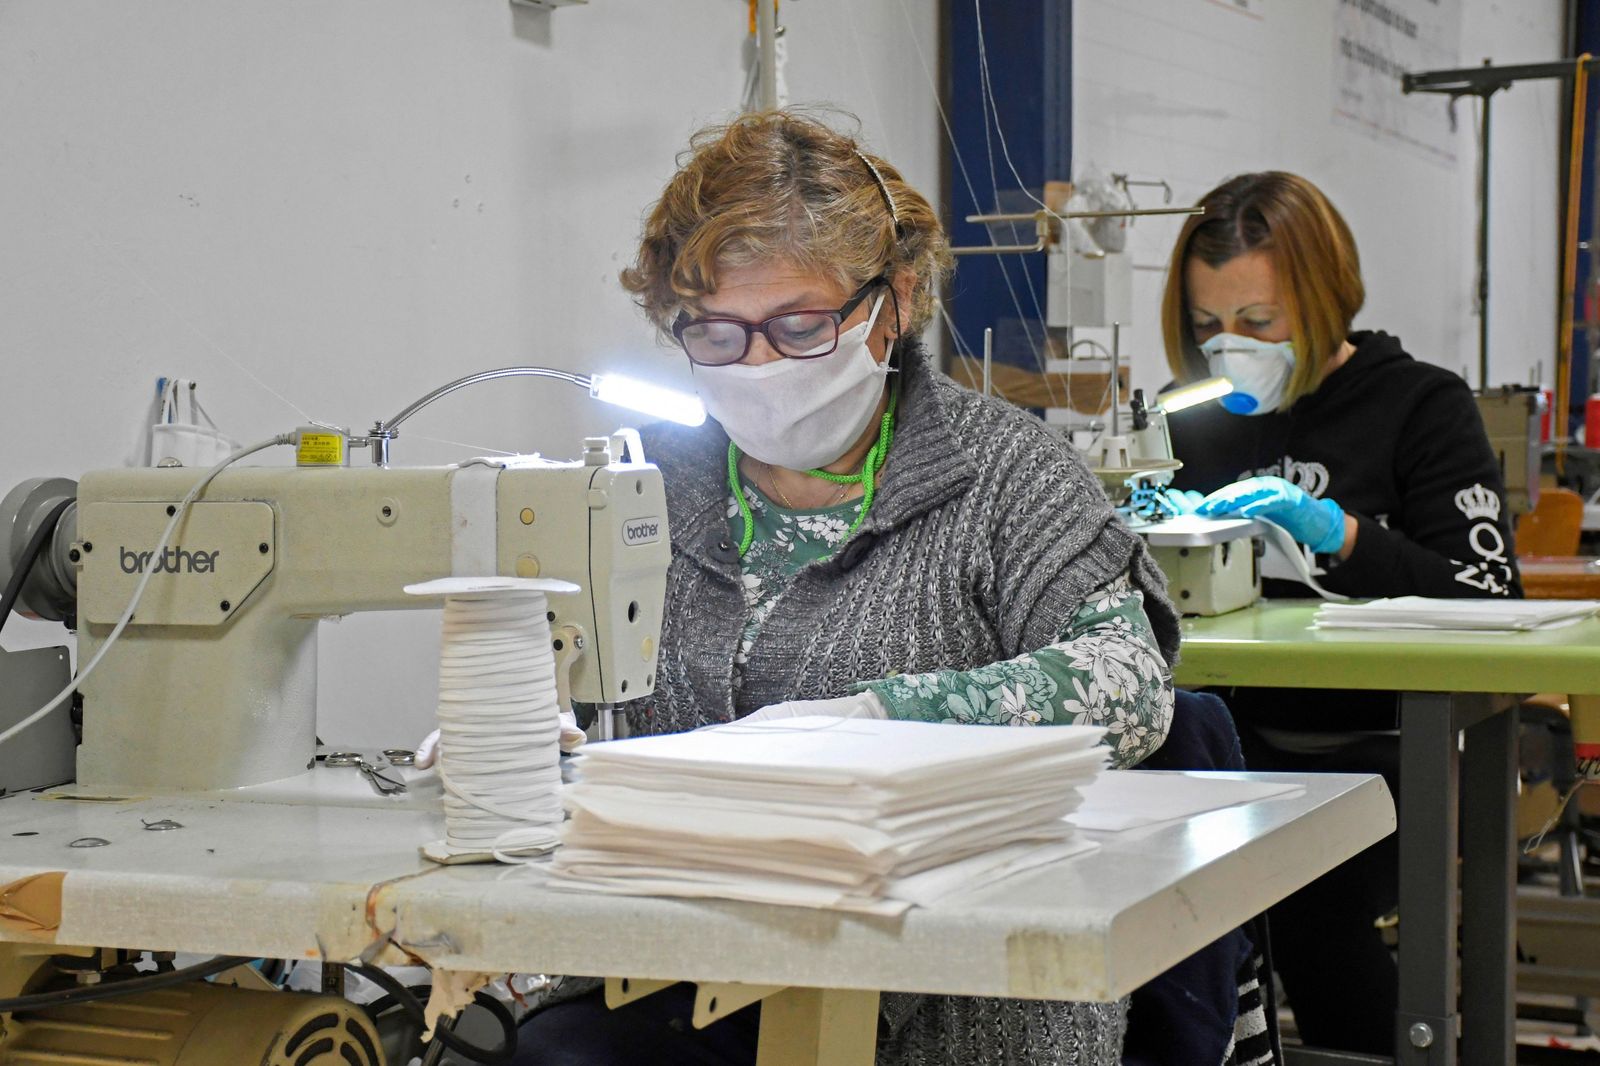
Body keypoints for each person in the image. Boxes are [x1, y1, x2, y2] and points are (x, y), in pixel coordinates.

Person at [514, 111, 1181, 1066]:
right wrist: (514, 712)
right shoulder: (643, 490)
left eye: (797, 325)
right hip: (674, 973)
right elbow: (569, 689)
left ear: (893, 304)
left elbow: (1127, 689)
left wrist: (880, 721)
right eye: (714, 332)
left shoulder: (1004, 474)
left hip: (950, 1000)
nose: (757, 367)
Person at [1159, 170, 1522, 1054]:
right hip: (1233, 740)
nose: (1228, 348)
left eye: (1258, 323)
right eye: (1208, 326)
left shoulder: (1420, 406)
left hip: (1391, 747)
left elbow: (1491, 597)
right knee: (1150, 897)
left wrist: (1346, 537)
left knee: (1307, 905)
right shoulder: (1200, 420)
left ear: (1323, 301)